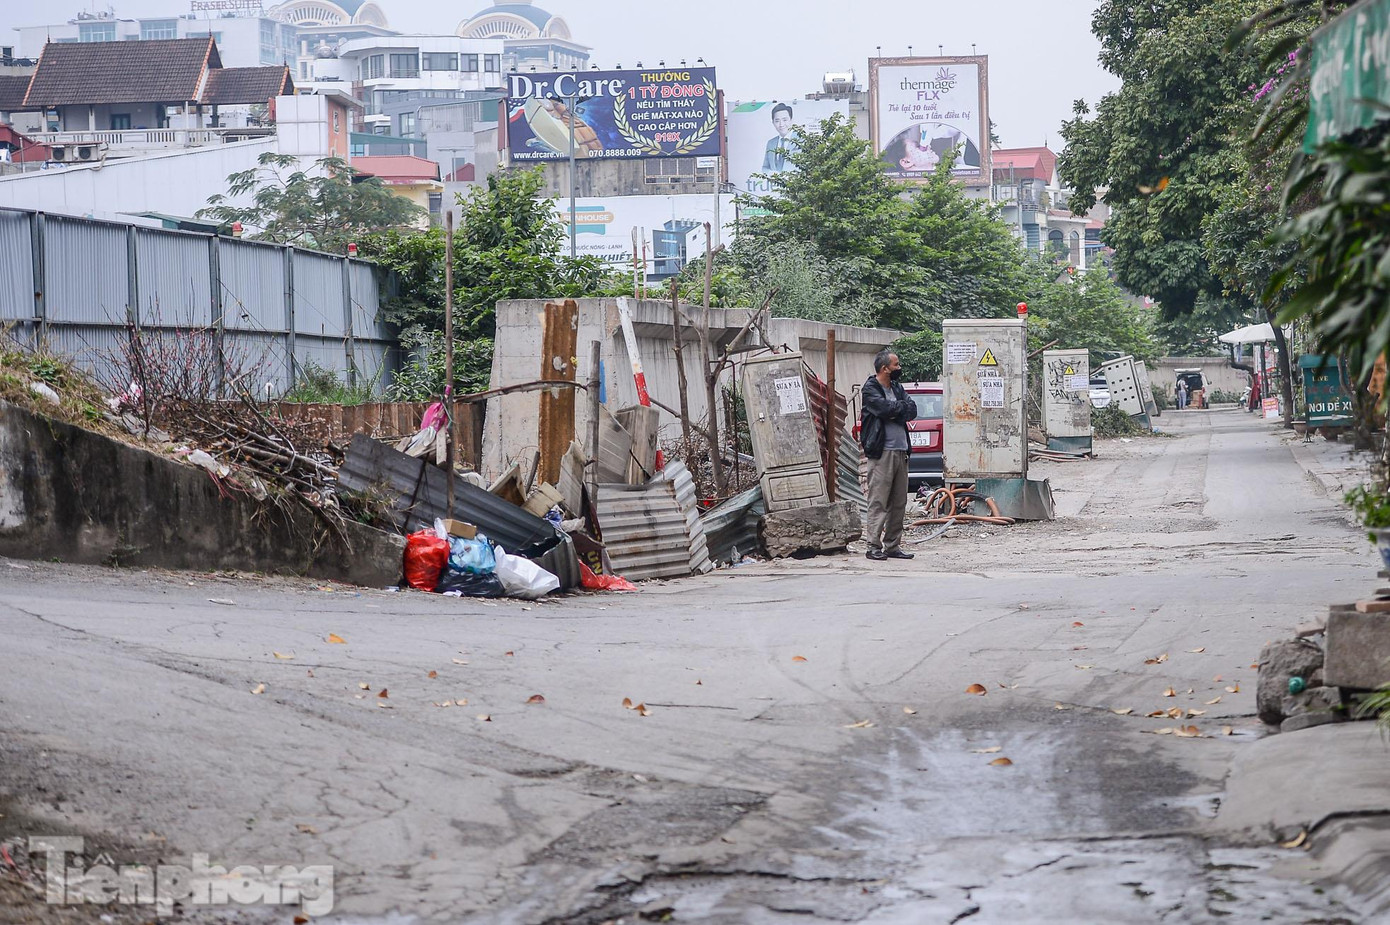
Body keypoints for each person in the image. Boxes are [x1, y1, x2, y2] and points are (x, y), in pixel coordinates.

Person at [860, 350, 917, 561]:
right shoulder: (870, 389)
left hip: (901, 451)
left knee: (899, 502)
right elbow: (883, 409)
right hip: (881, 452)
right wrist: (897, 410)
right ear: (885, 369)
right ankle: (873, 546)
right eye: (896, 365)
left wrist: (896, 410)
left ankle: (892, 545)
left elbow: (912, 409)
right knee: (879, 501)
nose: (899, 368)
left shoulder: (897, 388)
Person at [761, 103, 798, 172]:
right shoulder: (771, 143)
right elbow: (765, 167)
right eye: (777, 121)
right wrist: (772, 174)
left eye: (785, 120)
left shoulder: (802, 140)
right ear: (773, 122)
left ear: (791, 120)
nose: (781, 124)